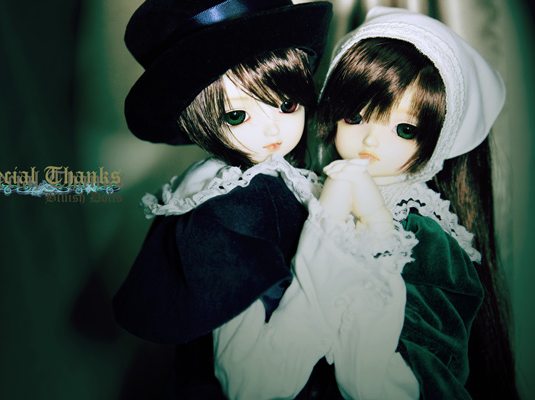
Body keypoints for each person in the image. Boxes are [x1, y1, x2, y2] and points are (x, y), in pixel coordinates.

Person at [213, 6, 518, 399]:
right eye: (355, 117)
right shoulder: (300, 191)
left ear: (439, 139)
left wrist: (370, 225)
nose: (372, 140)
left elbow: (413, 374)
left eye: (404, 129)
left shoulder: (424, 239)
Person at [111, 0, 335, 398]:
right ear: (198, 120)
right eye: (237, 115)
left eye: (287, 104)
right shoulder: (230, 211)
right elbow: (248, 379)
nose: (272, 129)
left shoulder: (283, 178)